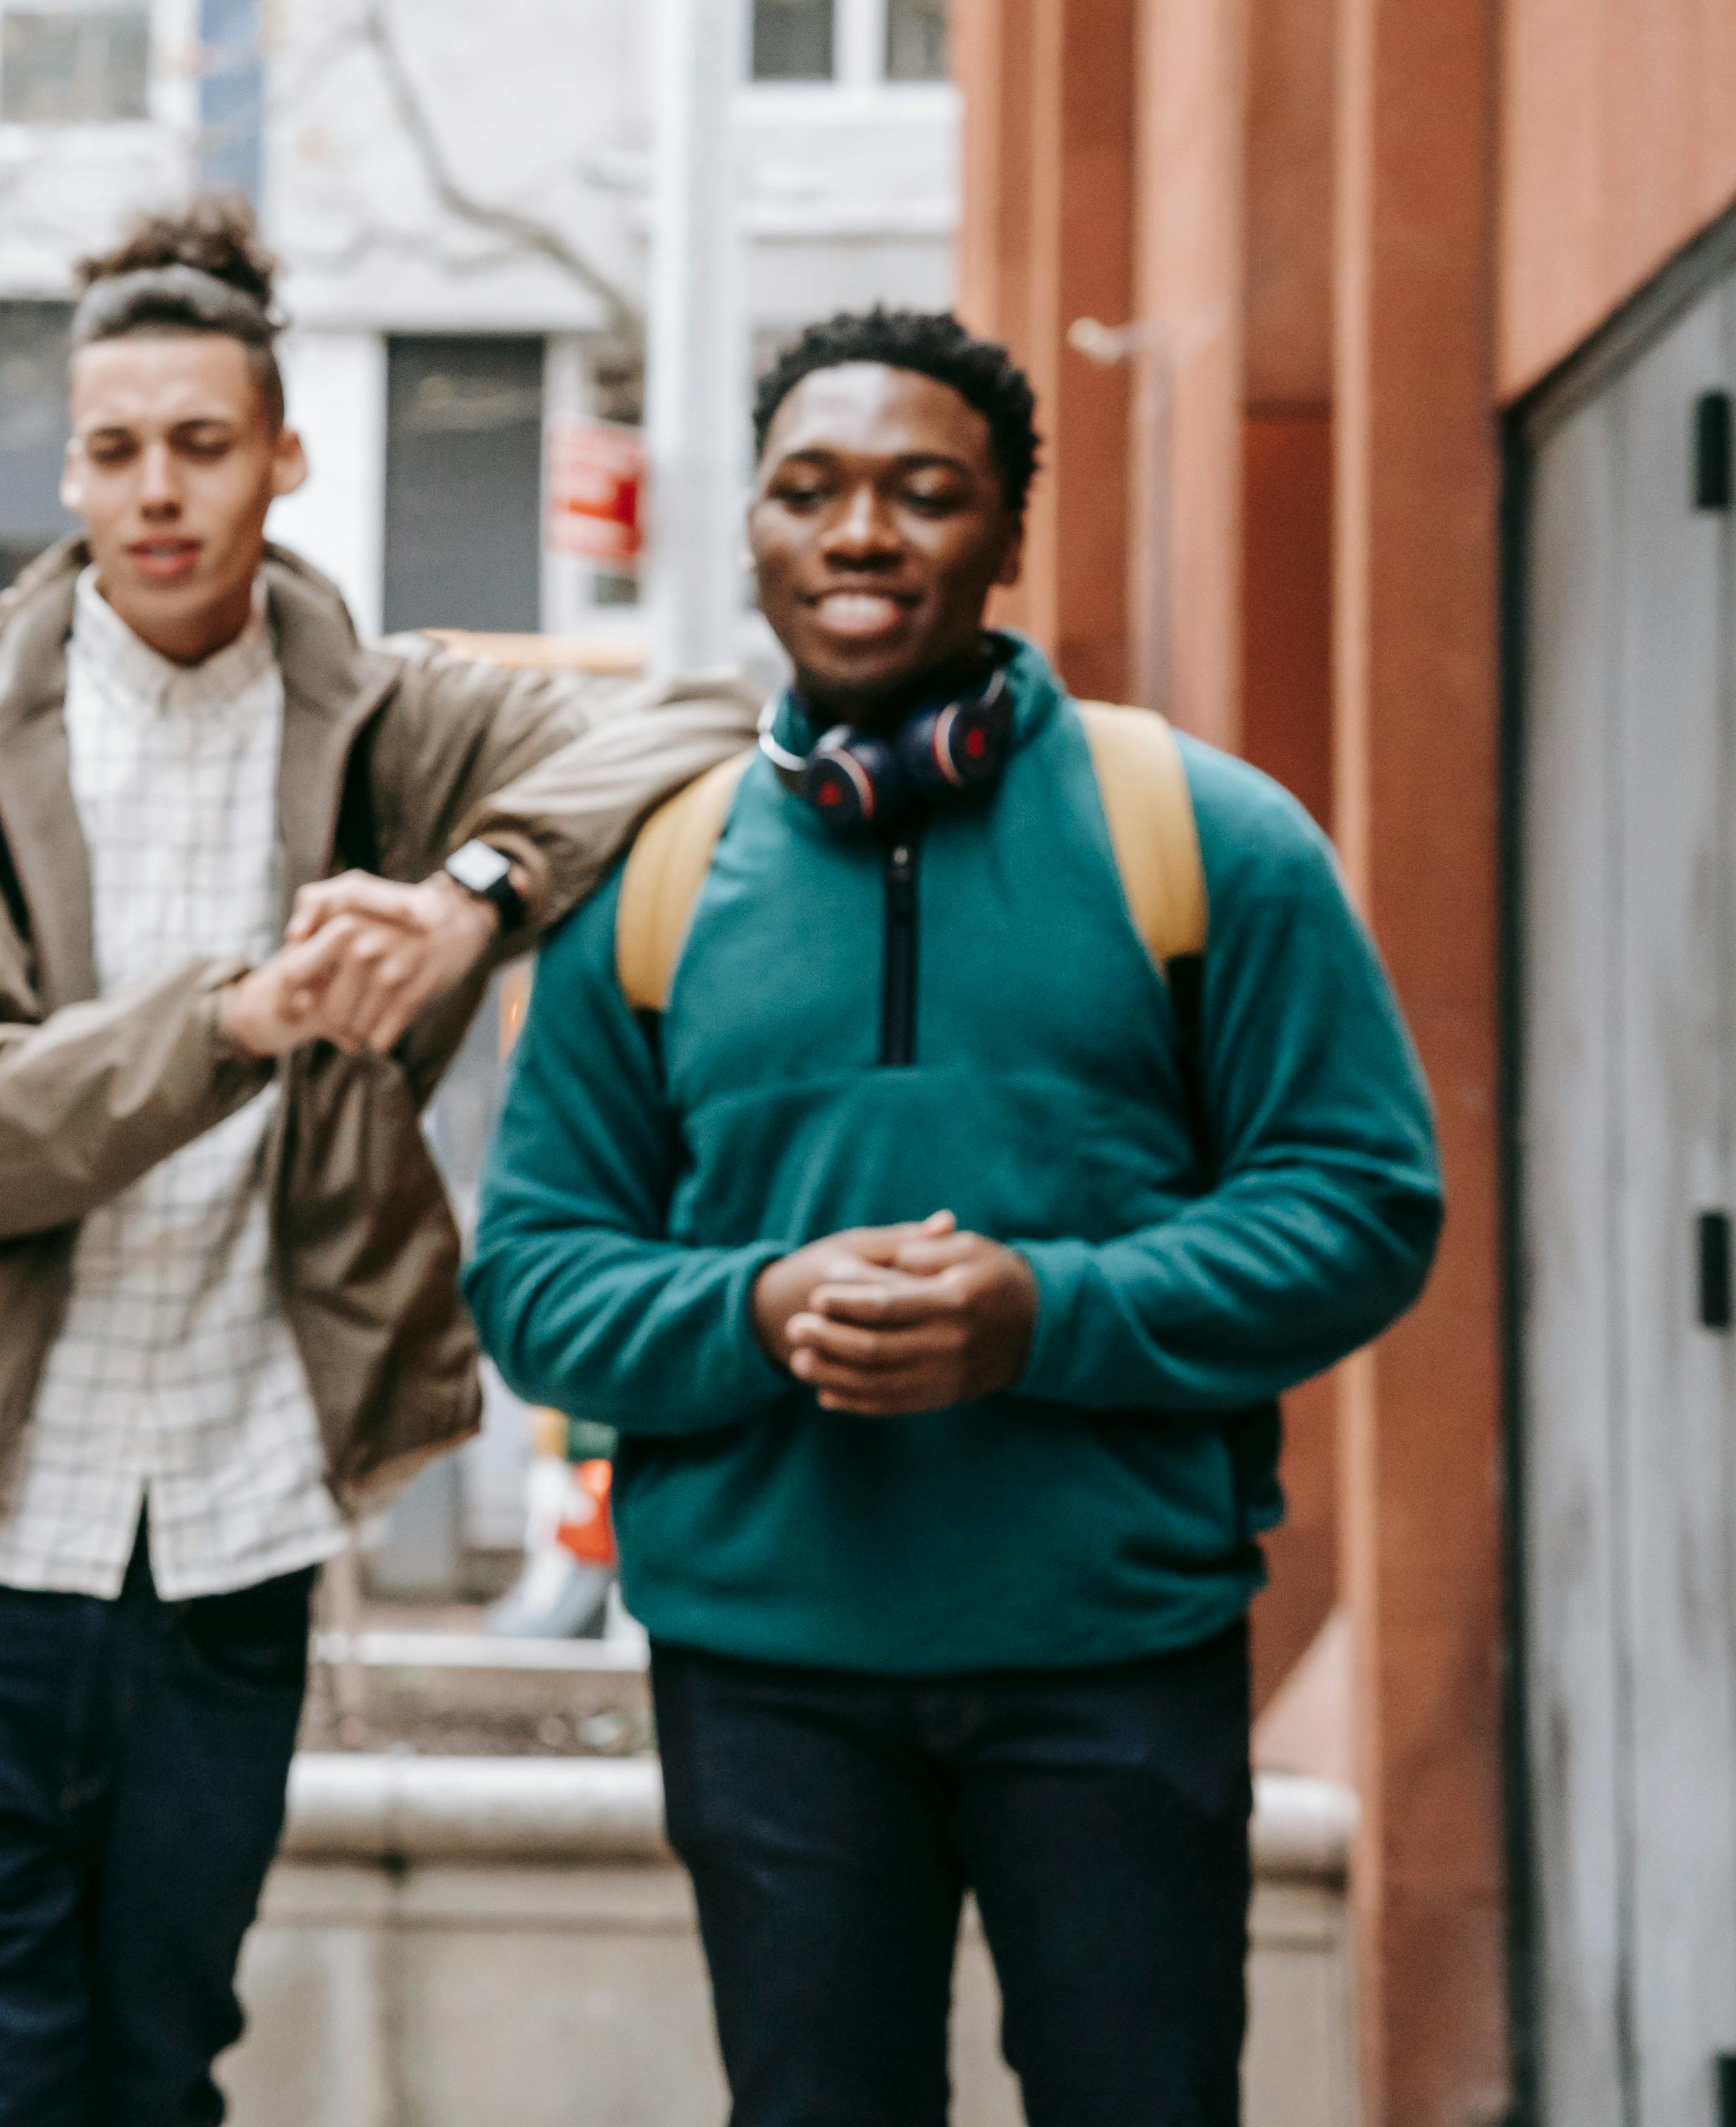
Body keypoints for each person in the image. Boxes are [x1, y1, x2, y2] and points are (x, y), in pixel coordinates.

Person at [464, 307, 1443, 2127]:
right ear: (749, 528)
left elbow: (1364, 1200)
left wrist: (1042, 1314)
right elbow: (532, 1277)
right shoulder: (657, 887)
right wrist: (755, 1313)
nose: (860, 533)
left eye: (925, 492)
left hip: (1118, 1660)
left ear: (1007, 535)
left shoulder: (1205, 837)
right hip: (768, 1680)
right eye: (809, 490)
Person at [0, 202, 758, 2127]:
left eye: (201, 443)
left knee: (167, 2064)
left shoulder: (388, 715)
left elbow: (701, 719)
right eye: (115, 449)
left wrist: (470, 899)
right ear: (72, 468)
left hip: (242, 1514)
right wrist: (239, 1018)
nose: (157, 491)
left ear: (286, 453)